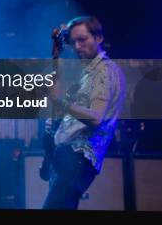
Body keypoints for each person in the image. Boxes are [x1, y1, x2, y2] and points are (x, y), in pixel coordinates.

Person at [43, 16, 126, 209]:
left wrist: (59, 101)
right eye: (74, 42)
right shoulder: (88, 73)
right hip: (69, 157)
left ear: (98, 38)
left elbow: (96, 118)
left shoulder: (105, 71)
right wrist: (56, 58)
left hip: (78, 158)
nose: (78, 47)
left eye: (83, 39)